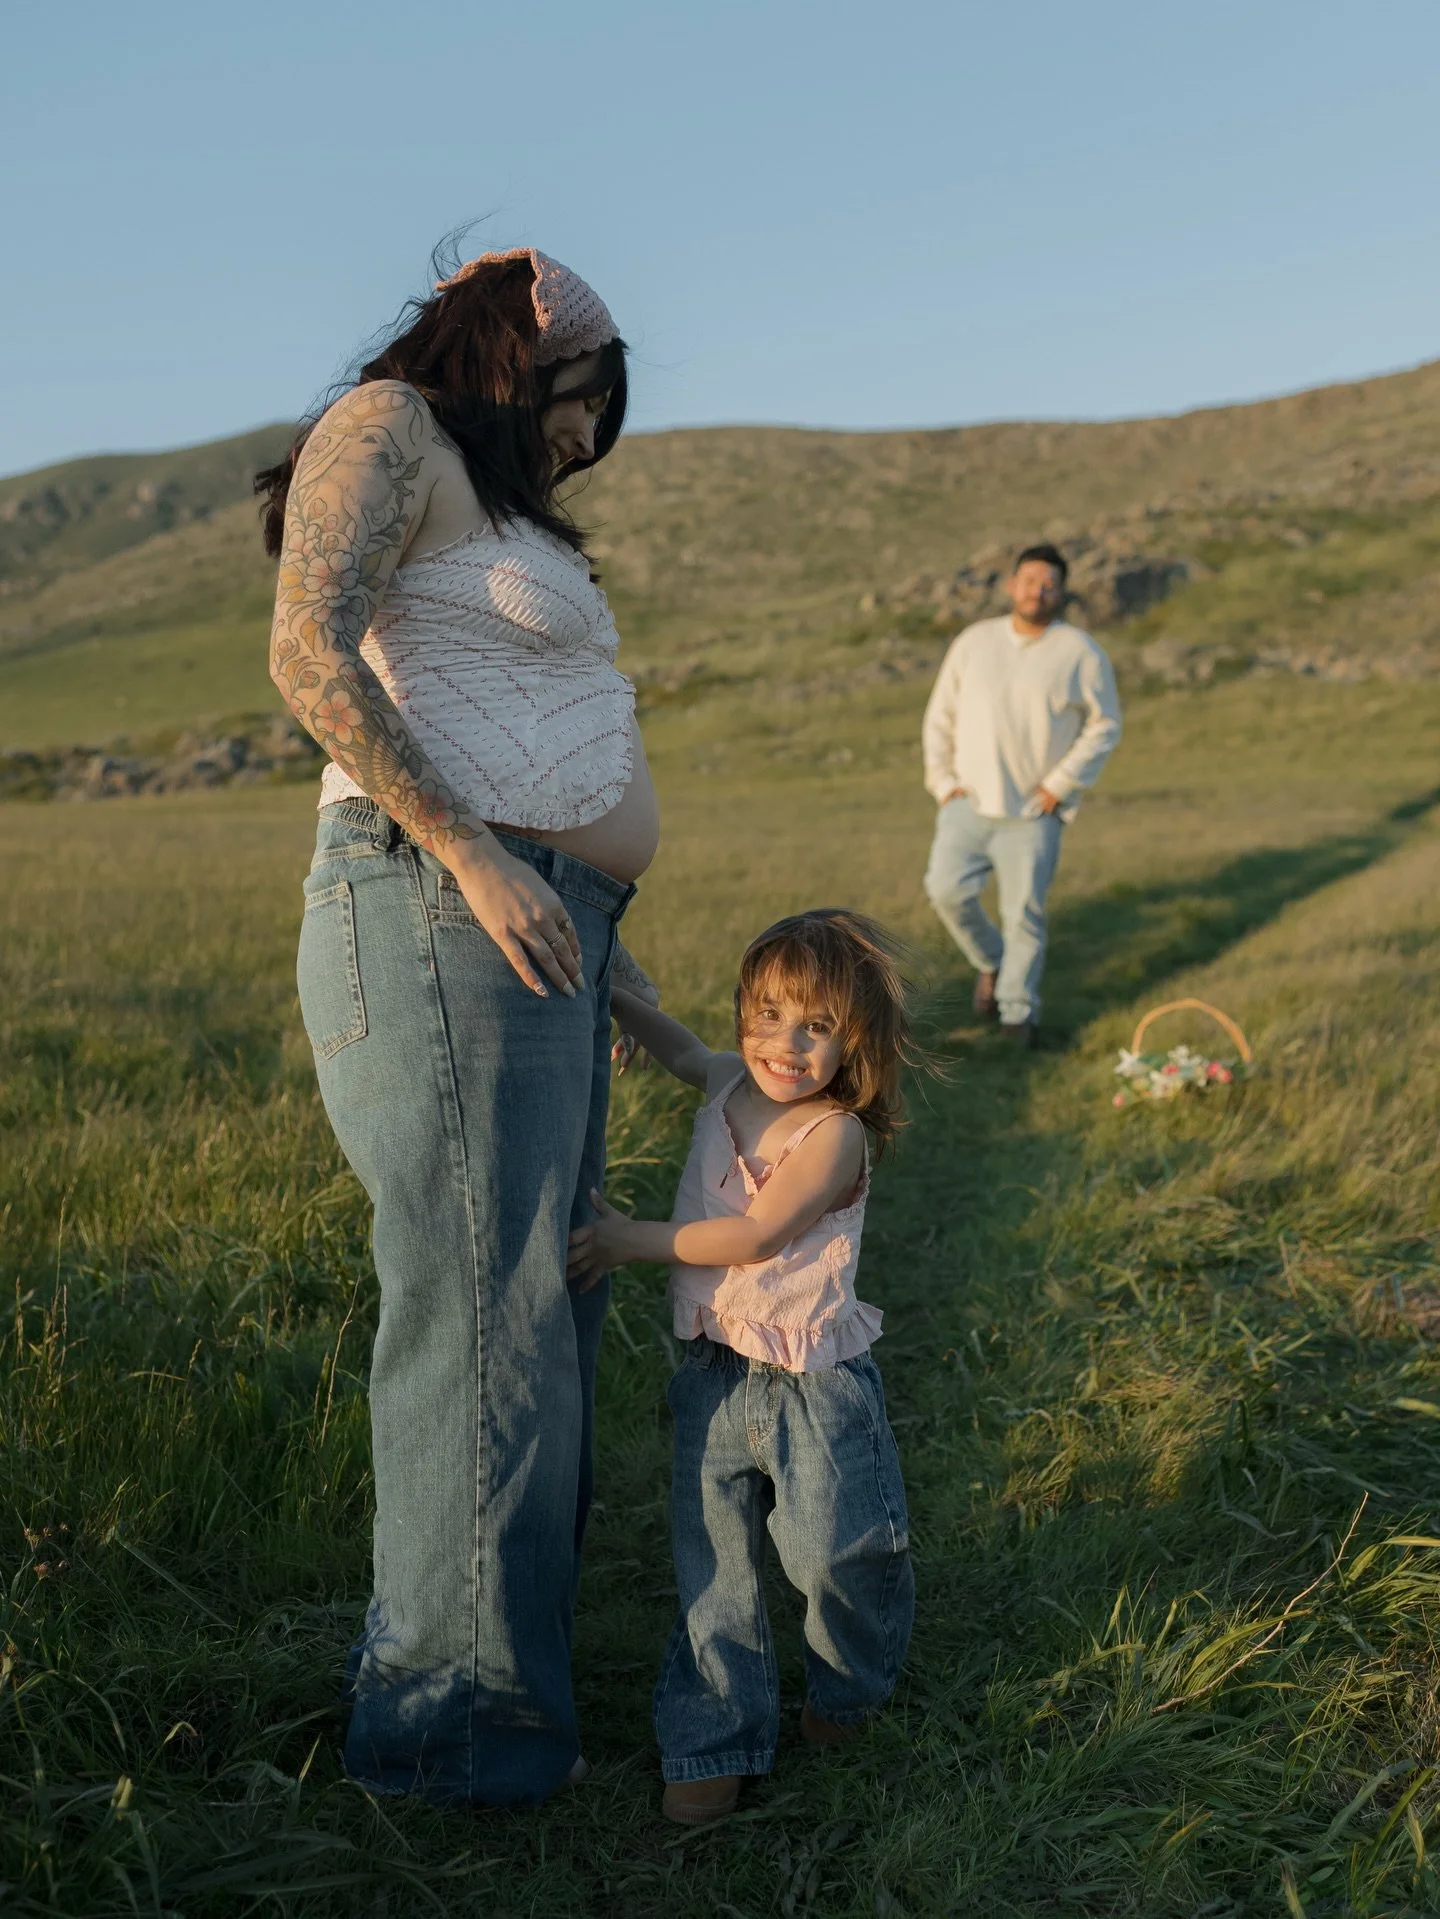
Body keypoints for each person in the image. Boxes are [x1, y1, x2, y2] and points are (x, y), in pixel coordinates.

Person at [255, 244, 662, 1808]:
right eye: (582, 405)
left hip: (540, 930)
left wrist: (626, 970)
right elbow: (309, 648)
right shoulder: (387, 427)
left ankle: (501, 1690)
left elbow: (550, 749)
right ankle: (453, 1754)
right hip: (433, 906)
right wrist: (478, 847)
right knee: (484, 1318)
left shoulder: (490, 499)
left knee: (546, 1311)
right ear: (531, 346)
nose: (579, 445)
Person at [567, 910, 917, 1827]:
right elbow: (682, 1047)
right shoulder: (727, 1082)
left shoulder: (835, 1135)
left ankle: (846, 1693)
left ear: (854, 1042)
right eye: (767, 1014)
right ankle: (712, 1737)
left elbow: (757, 1236)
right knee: (712, 1569)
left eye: (816, 1027)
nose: (785, 1045)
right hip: (715, 1375)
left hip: (815, 1387)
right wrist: (607, 991)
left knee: (837, 1555)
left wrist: (625, 1240)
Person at [920, 543, 1122, 1042]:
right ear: (1012, 585)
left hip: (1033, 811)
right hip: (967, 802)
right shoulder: (974, 642)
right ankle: (991, 961)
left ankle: (1016, 1016)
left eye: (1049, 583)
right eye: (1030, 580)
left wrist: (1060, 784)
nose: (1039, 591)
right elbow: (939, 716)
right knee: (945, 891)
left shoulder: (1079, 652)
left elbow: (1105, 724)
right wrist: (944, 783)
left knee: (1024, 914)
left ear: (1061, 592)